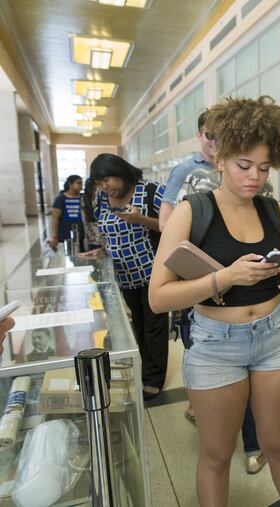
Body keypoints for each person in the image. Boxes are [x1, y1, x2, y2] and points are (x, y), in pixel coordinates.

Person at [149, 96, 280, 504]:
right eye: (244, 166)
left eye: (263, 168)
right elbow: (158, 297)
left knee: (279, 445)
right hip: (214, 345)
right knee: (217, 454)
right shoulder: (192, 212)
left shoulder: (275, 212)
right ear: (220, 159)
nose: (254, 177)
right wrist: (225, 277)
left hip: (274, 337)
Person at [158, 109, 267, 475]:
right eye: (210, 135)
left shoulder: (254, 182)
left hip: (257, 312)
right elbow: (167, 225)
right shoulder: (184, 174)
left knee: (255, 378)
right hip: (202, 294)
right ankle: (206, 404)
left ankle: (253, 443)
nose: (214, 141)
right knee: (213, 368)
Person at [81, 154, 169, 401]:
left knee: (155, 325)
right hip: (124, 274)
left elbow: (174, 226)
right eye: (99, 182)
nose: (104, 186)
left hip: (154, 272)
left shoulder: (150, 191)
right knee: (138, 324)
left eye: (107, 179)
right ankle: (142, 367)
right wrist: (100, 250)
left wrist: (140, 219)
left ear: (120, 172)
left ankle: (153, 379)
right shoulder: (101, 198)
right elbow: (106, 234)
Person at [158, 110, 218, 231]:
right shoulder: (184, 170)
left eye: (222, 135)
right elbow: (164, 224)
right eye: (210, 135)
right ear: (199, 136)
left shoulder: (232, 169)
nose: (216, 141)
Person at [47, 175, 84, 252]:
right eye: (78, 183)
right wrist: (54, 236)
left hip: (80, 235)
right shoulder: (60, 199)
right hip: (65, 235)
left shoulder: (82, 198)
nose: (81, 185)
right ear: (70, 184)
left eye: (81, 183)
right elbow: (55, 218)